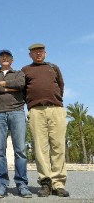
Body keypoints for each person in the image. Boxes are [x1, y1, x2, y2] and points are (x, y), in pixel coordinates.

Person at [22, 43, 69, 197]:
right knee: (40, 148)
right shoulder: (26, 70)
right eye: (35, 52)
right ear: (30, 55)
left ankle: (58, 183)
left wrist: (54, 99)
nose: (38, 54)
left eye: (41, 52)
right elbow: (22, 90)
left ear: (45, 53)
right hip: (36, 111)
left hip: (56, 109)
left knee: (58, 146)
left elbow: (60, 85)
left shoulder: (53, 68)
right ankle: (46, 182)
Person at [0, 49, 32, 198]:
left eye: (7, 57)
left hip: (17, 112)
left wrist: (4, 85)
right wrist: (10, 88)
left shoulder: (18, 73)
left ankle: (22, 184)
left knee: (20, 150)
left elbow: (20, 84)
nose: (5, 59)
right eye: (2, 57)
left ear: (12, 60)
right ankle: (1, 184)